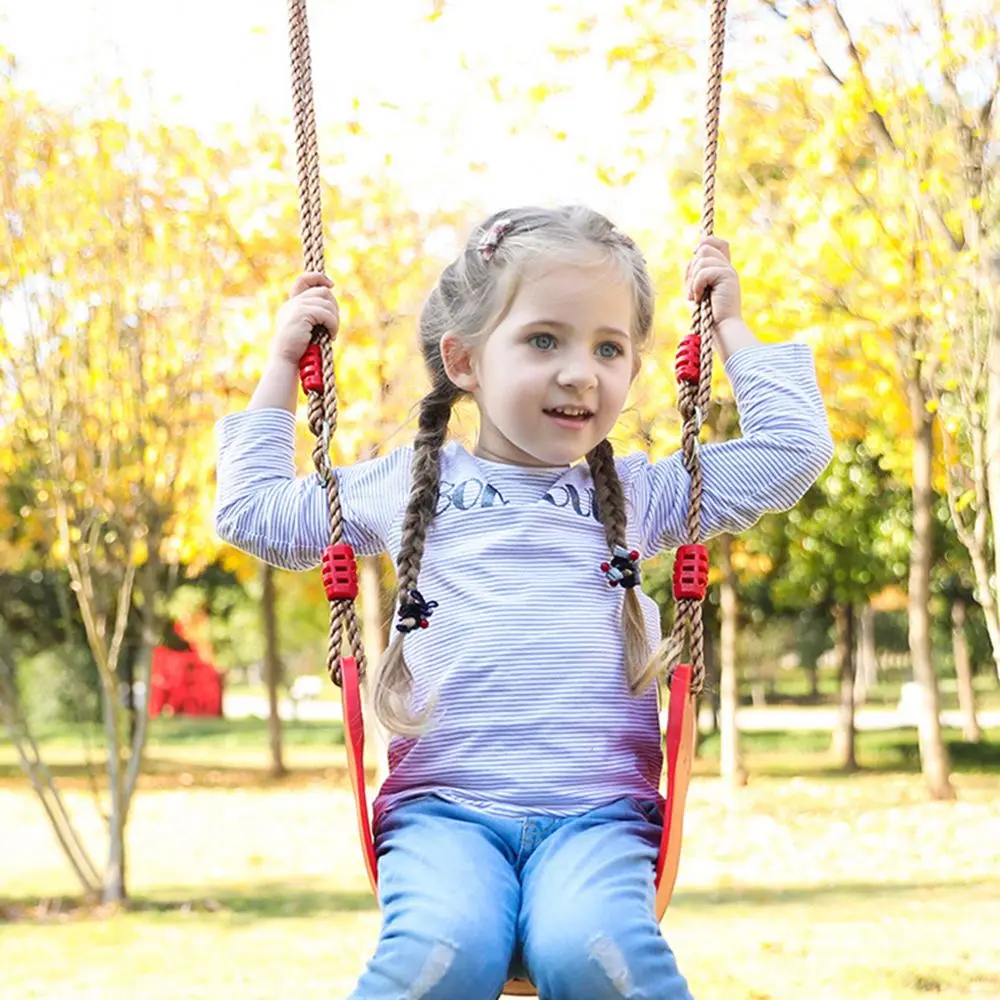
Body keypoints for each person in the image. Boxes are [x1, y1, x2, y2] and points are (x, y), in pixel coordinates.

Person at [214, 205, 833, 999]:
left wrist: (733, 333)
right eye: (545, 339)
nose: (582, 371)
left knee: (597, 956)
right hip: (443, 815)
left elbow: (794, 453)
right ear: (465, 361)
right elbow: (252, 512)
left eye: (609, 348)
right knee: (442, 953)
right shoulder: (405, 485)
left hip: (599, 819)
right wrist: (279, 367)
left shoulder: (642, 496)